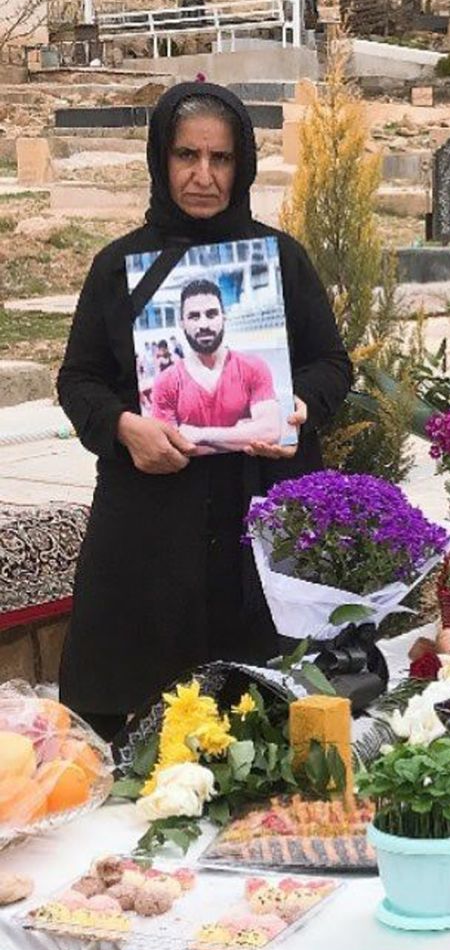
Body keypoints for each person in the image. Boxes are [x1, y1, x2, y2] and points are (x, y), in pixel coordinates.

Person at [56, 82, 353, 741]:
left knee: (269, 724)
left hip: (262, 511)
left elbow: (332, 365)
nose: (203, 176)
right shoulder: (118, 267)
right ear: (160, 161)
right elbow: (79, 380)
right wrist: (124, 428)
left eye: (220, 159)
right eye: (186, 156)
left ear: (242, 165)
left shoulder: (281, 260)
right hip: (151, 525)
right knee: (136, 721)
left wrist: (295, 406)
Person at [150, 278, 282, 452]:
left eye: (211, 314)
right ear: (182, 323)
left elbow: (271, 431)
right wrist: (241, 434)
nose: (203, 324)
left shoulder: (253, 367)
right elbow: (167, 450)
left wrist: (200, 435)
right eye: (194, 316)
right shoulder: (165, 382)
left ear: (223, 317)